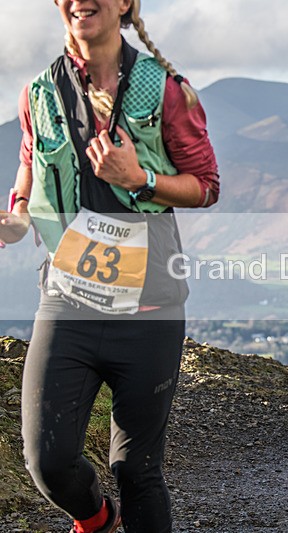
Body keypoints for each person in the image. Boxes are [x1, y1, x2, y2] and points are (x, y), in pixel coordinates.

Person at [0, 1, 219, 531]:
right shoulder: (39, 94)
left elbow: (207, 186)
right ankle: (97, 520)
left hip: (150, 309)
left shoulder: (165, 89)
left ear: (125, 4)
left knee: (137, 470)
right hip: (68, 300)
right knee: (47, 462)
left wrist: (138, 177)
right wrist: (13, 221)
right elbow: (28, 180)